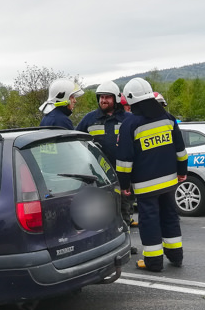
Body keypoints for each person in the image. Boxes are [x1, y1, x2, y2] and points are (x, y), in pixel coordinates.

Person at [116, 78, 188, 271]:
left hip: (146, 186)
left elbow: (124, 163)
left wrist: (124, 185)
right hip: (169, 181)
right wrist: (182, 172)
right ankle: (176, 256)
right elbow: (180, 151)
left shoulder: (129, 125)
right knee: (170, 217)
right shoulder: (168, 118)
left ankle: (153, 262)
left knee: (149, 222)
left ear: (130, 100)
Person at [76, 81, 135, 225]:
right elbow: (76, 142)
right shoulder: (89, 119)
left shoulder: (128, 119)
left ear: (115, 98)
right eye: (101, 97)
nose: (103, 100)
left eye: (107, 97)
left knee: (123, 213)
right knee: (99, 214)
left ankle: (125, 244)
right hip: (97, 176)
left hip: (122, 175)